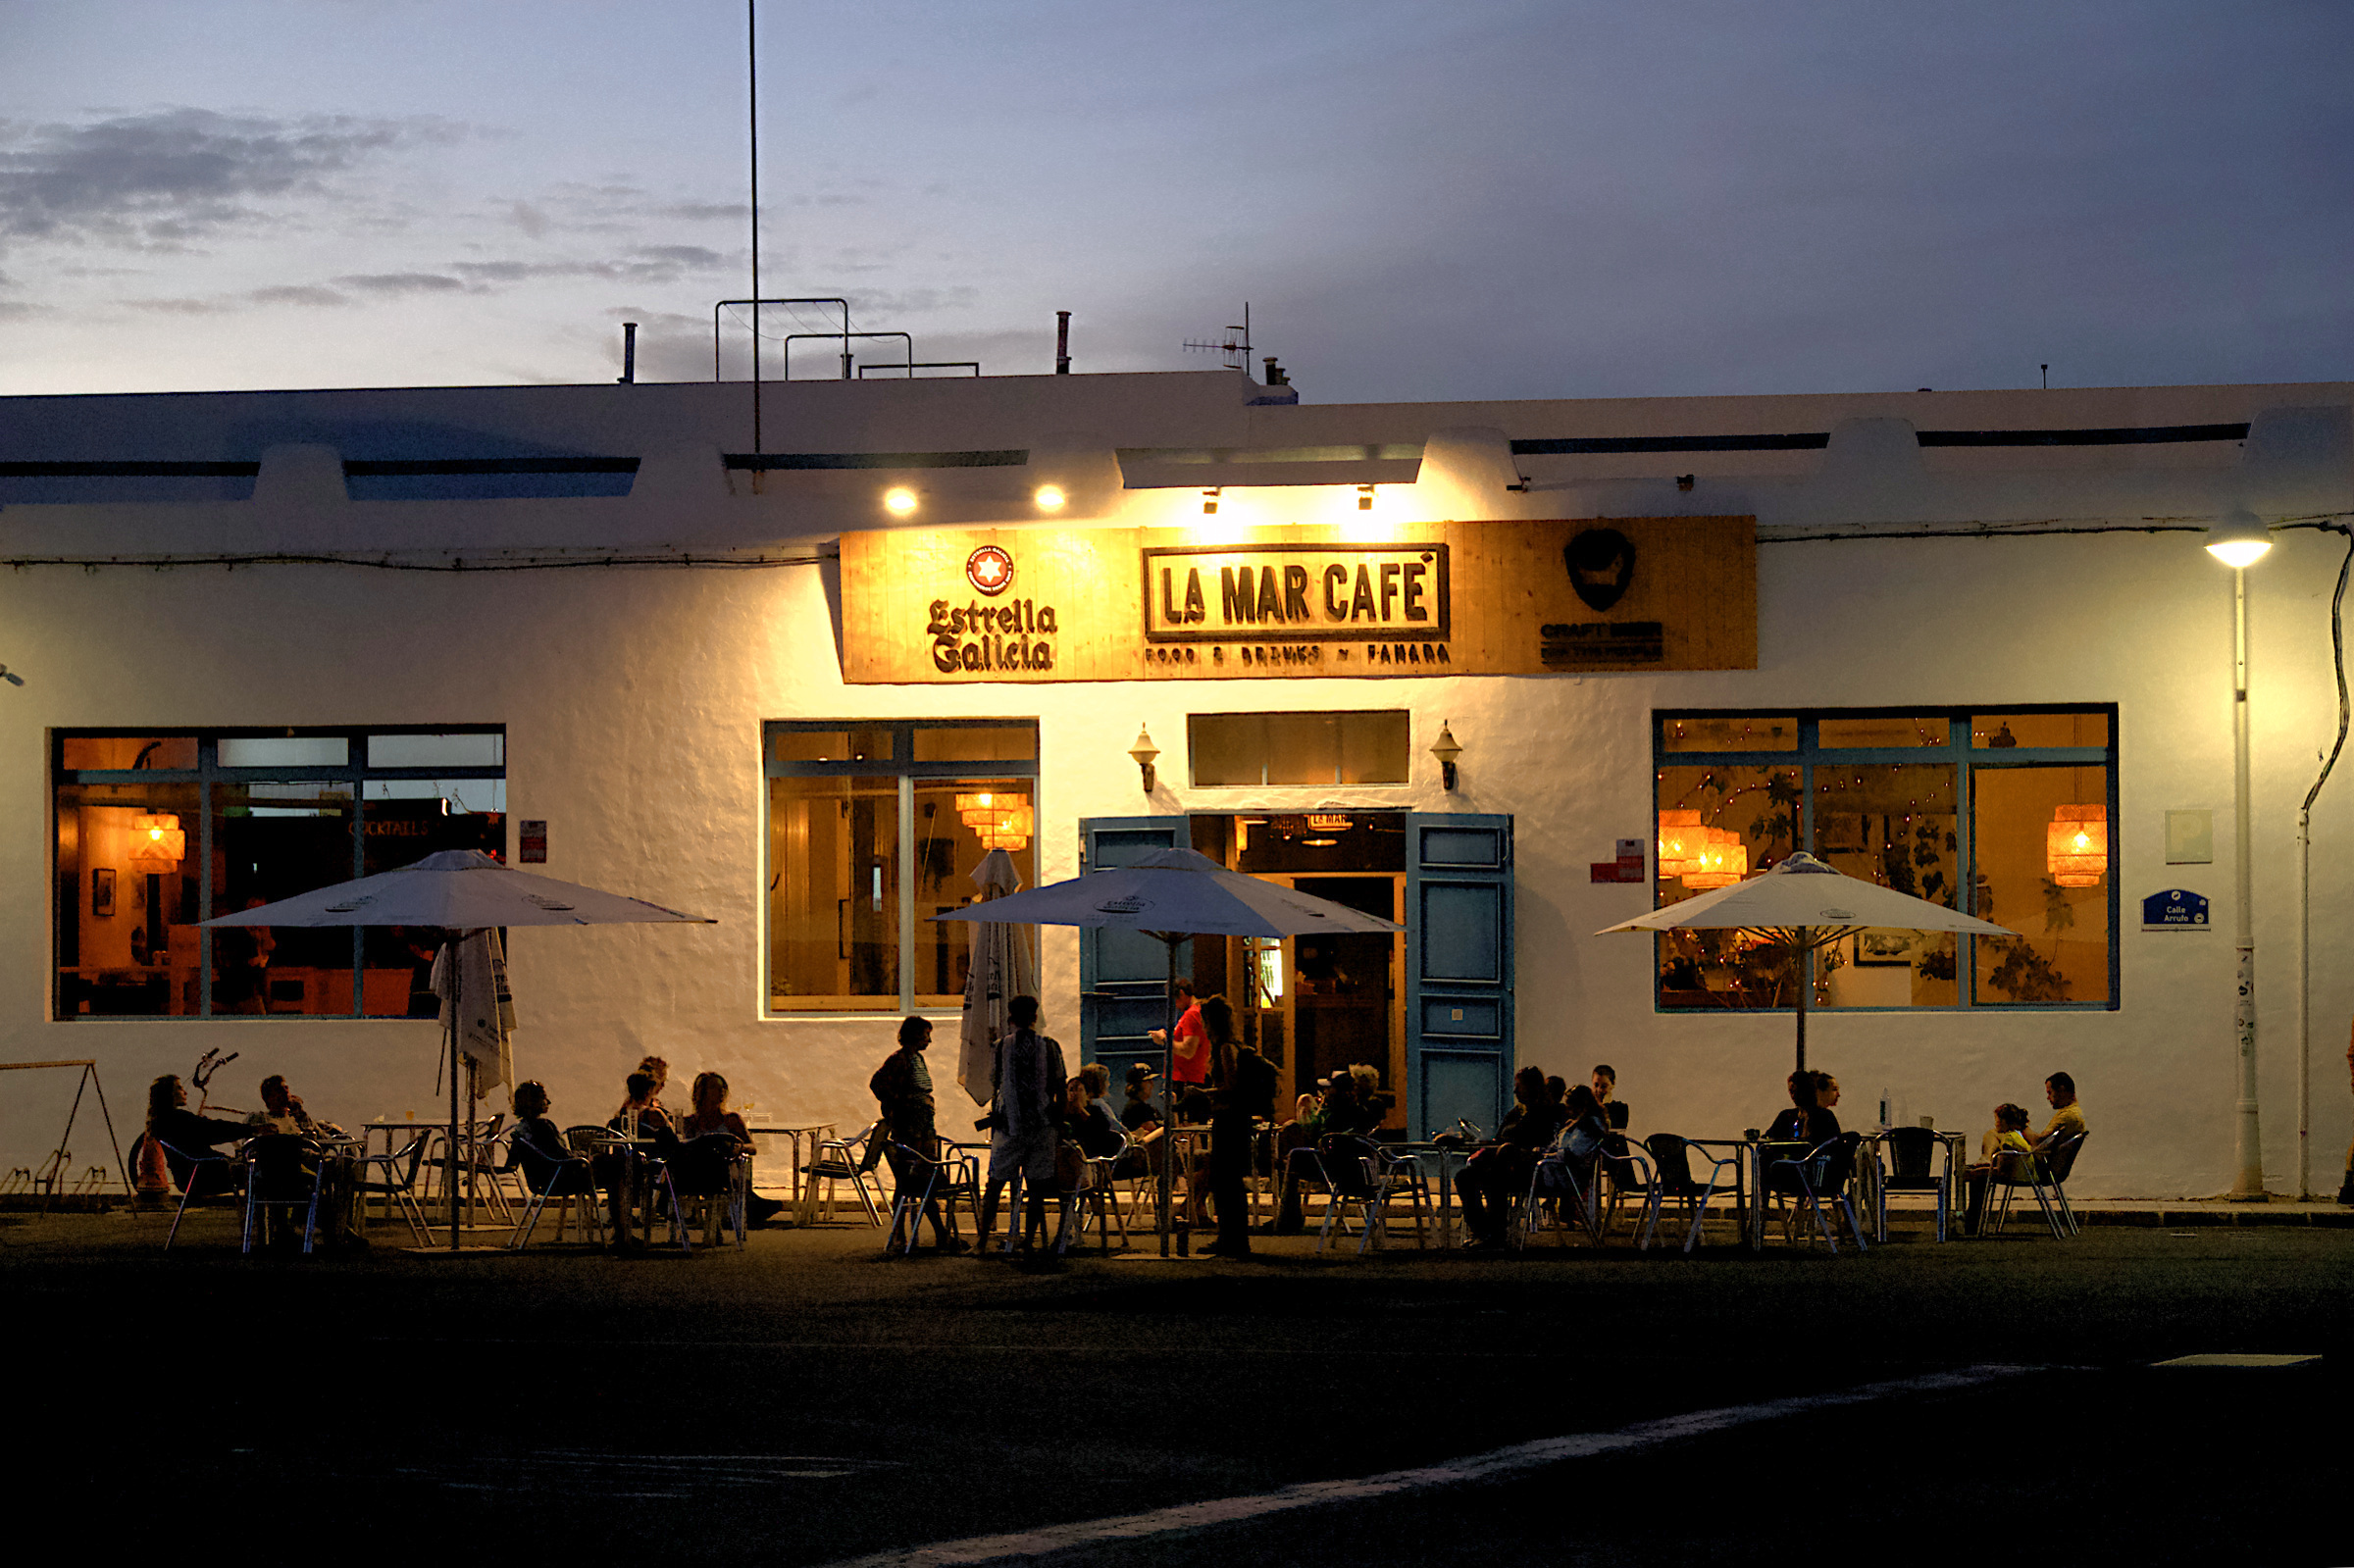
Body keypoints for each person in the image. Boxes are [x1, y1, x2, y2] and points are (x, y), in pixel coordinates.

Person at [979, 995, 1066, 1252]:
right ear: (1035, 1017)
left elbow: (995, 1082)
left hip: (1009, 1126)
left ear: (1011, 1018)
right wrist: (1059, 1122)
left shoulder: (1000, 1047)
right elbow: (1060, 1086)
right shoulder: (1050, 1046)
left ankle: (982, 1241)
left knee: (995, 1184)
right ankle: (1029, 1241)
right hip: (1042, 1125)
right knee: (1036, 1187)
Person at [872, 1016, 965, 1252]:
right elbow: (878, 1085)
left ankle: (929, 1234)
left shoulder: (916, 1059)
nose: (929, 1041)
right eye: (925, 1035)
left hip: (923, 1129)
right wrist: (903, 1106)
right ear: (914, 1035)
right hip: (911, 1132)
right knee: (911, 1182)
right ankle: (907, 1235)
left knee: (922, 1182)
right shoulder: (900, 1060)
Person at [1200, 994, 1276, 1257]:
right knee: (1228, 1181)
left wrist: (1204, 1094)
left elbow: (1231, 1085)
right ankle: (1231, 1238)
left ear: (1211, 1022)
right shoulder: (1233, 1045)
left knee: (1226, 1181)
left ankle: (1232, 1240)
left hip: (1230, 1121)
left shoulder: (1225, 1048)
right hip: (1236, 1121)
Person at [1458, 1066, 1561, 1250]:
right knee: (1464, 1177)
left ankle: (1495, 1233)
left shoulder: (1544, 1113)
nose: (1515, 1091)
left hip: (1527, 1168)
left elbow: (1539, 1144)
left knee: (1493, 1178)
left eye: (1519, 1086)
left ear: (1531, 1087)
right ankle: (1482, 1230)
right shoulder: (1515, 1113)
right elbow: (1498, 1139)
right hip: (1502, 1164)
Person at [676, 1070, 786, 1226]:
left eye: (722, 1088)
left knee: (725, 1164)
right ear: (702, 1092)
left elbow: (752, 1147)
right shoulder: (689, 1122)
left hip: (724, 1169)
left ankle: (746, 1206)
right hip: (699, 1170)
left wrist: (738, 1148)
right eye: (714, 1088)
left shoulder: (731, 1120)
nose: (720, 1092)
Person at [143, 1074, 251, 1196]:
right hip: (206, 1175)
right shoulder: (178, 1120)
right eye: (179, 1088)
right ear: (168, 1094)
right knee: (262, 1171)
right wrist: (250, 1129)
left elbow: (206, 1131)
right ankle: (260, 1207)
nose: (185, 1092)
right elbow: (215, 1131)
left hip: (189, 1177)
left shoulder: (161, 1121)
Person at [1150, 980, 1208, 1086]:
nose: (1175, 1005)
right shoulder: (1196, 1011)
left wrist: (1164, 1040)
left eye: (1174, 1000)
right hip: (1187, 1077)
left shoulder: (1192, 1015)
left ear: (1181, 994)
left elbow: (1188, 1051)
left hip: (1186, 1079)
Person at [1591, 1064, 1630, 1132]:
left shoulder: (1620, 1109)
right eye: (1596, 1085)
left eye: (1604, 1086)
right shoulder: (1585, 1109)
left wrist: (1605, 1105)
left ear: (1613, 1084)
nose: (1599, 1090)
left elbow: (1613, 1129)